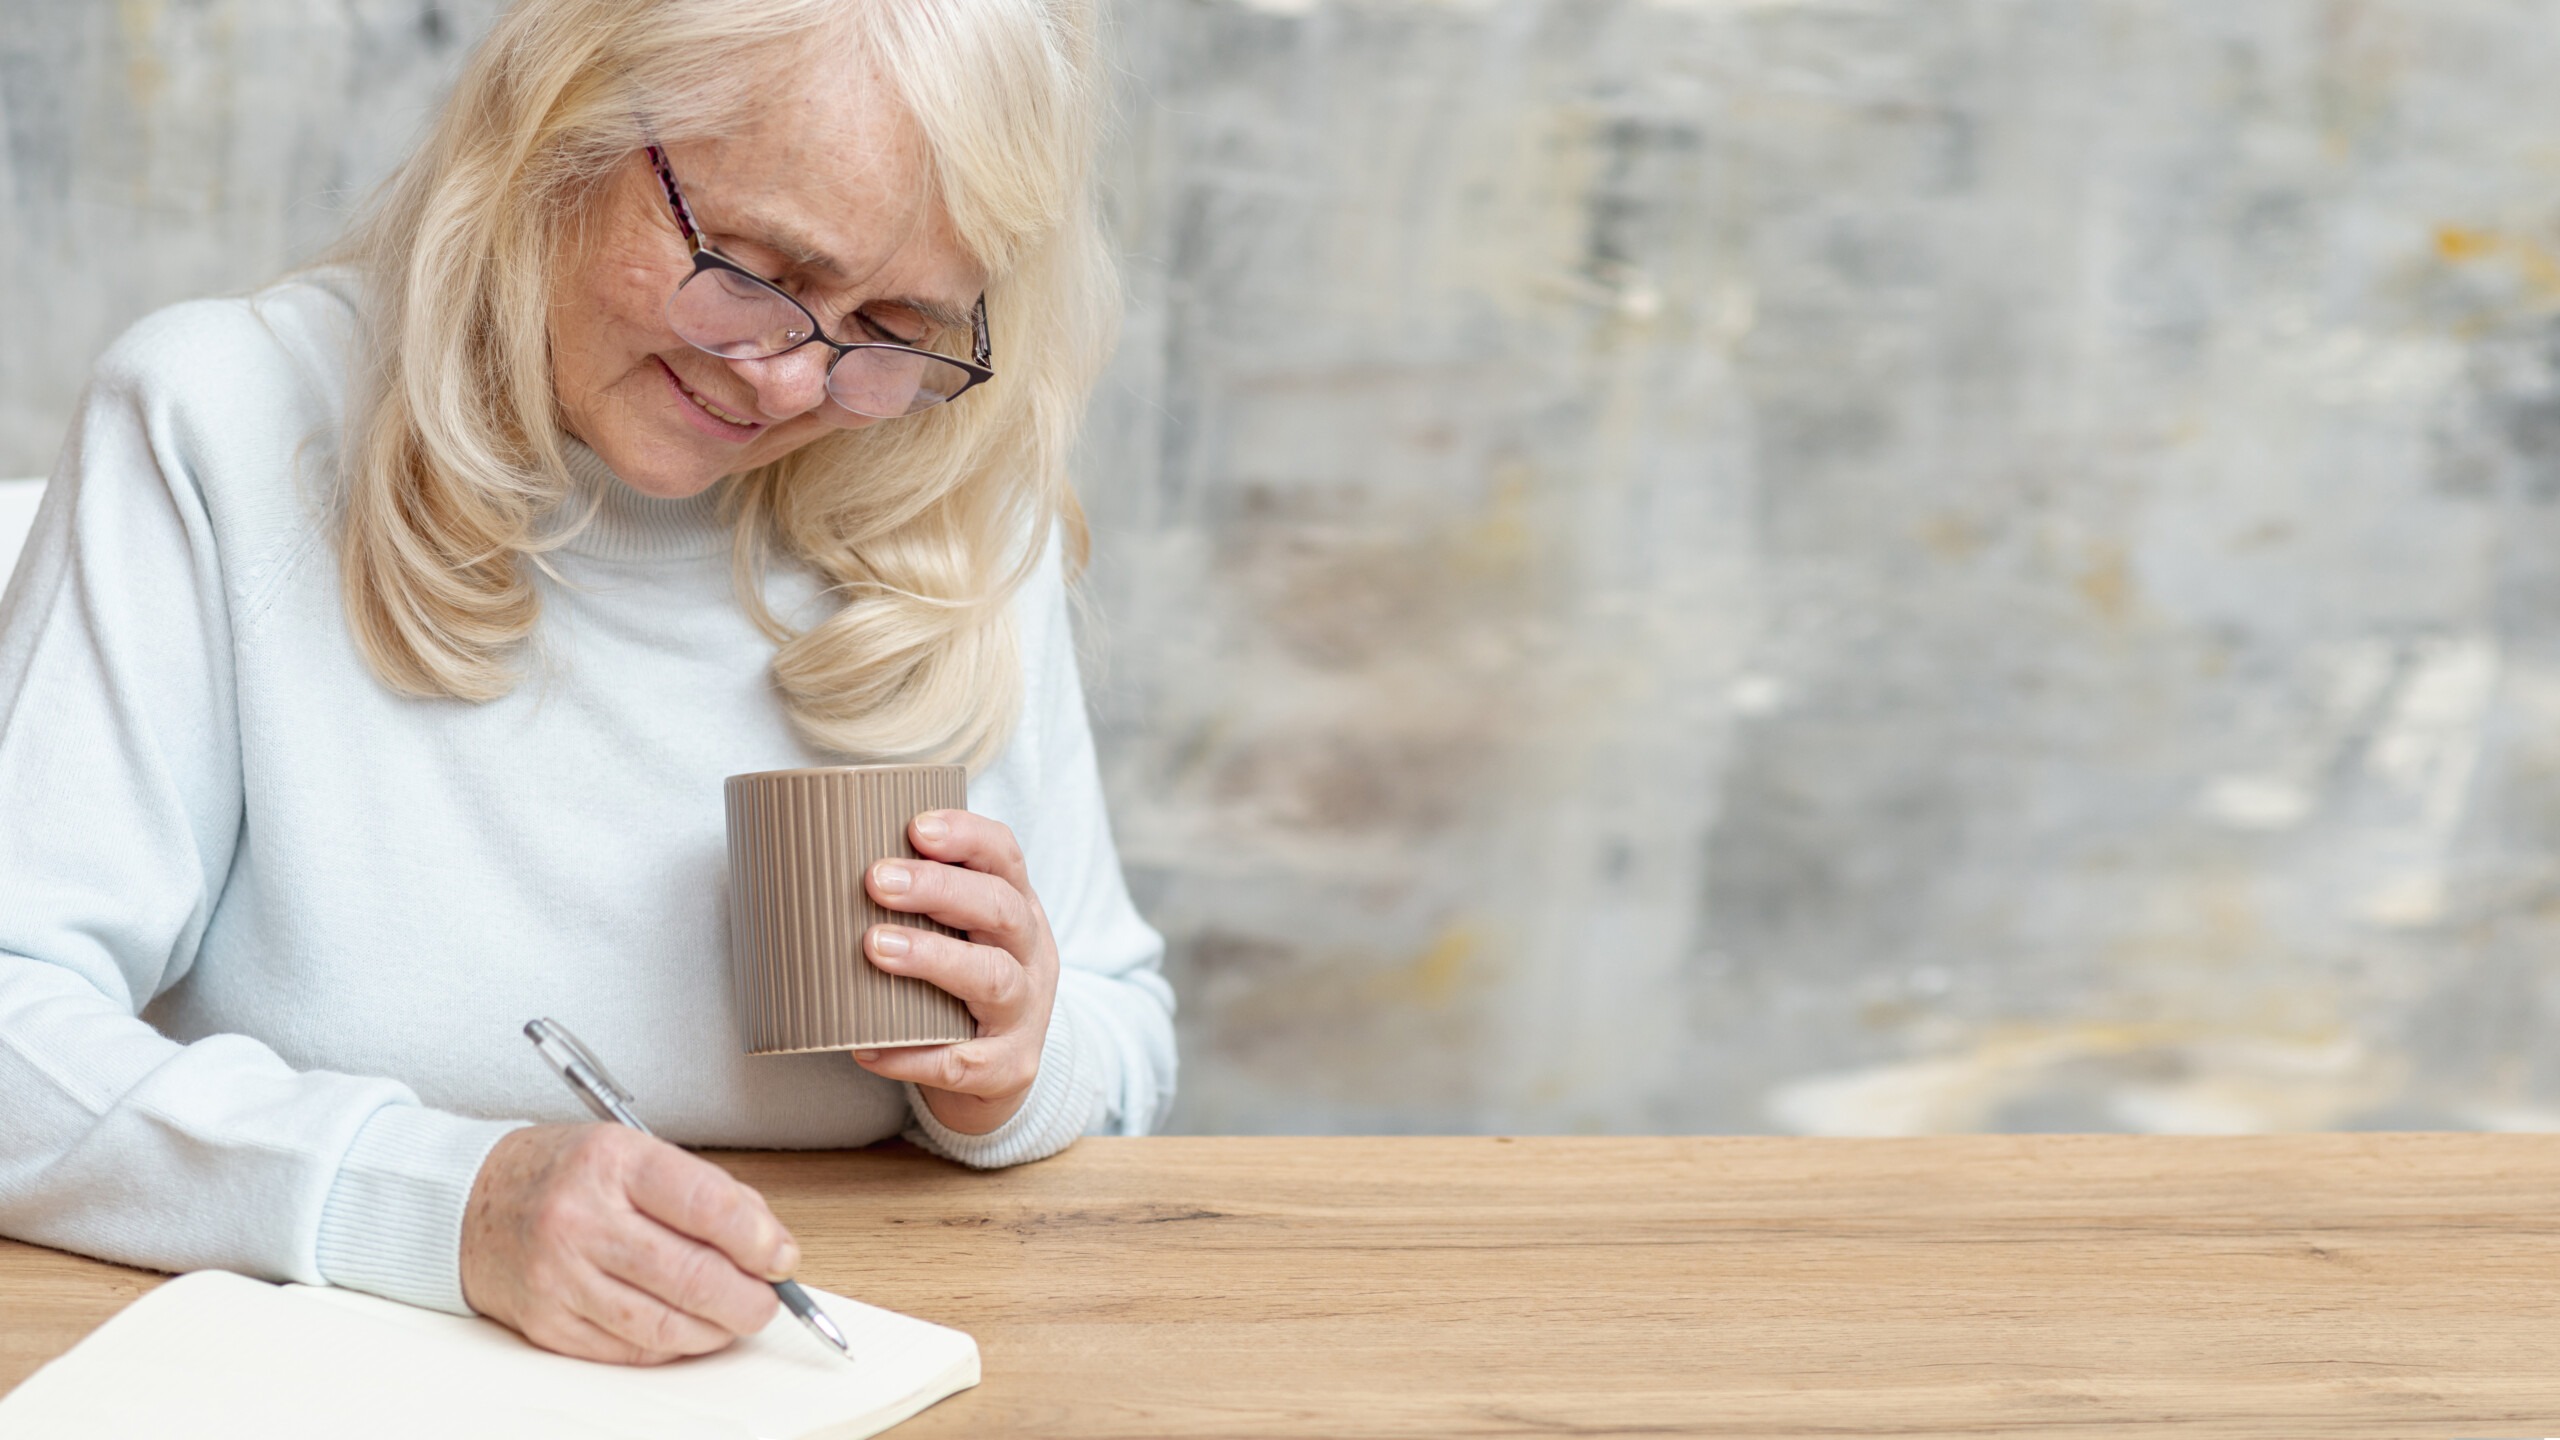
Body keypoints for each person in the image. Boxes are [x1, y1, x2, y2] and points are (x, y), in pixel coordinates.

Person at [0, 0, 1173, 1366]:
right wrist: (447, 1206)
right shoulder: (219, 423)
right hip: (328, 1354)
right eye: (752, 267)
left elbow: (1124, 1036)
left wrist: (1018, 1065)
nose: (795, 380)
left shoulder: (948, 499)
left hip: (835, 1356)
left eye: (893, 323)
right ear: (561, 130)